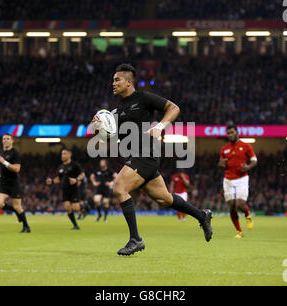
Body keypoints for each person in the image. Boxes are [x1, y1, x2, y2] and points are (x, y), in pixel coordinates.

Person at [90, 63, 212, 256]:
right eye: (113, 80)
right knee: (164, 199)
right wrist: (97, 129)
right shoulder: (116, 111)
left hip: (145, 155)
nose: (113, 83)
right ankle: (202, 215)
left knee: (119, 188)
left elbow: (173, 108)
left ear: (129, 82)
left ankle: (135, 239)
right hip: (133, 158)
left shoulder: (144, 98)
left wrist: (160, 126)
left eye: (117, 80)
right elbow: (102, 141)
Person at [218, 125, 257, 238]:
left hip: (242, 178)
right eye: (228, 133)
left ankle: (247, 215)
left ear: (237, 132)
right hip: (228, 179)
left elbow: (254, 160)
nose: (230, 135)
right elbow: (221, 165)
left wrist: (248, 167)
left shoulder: (246, 146)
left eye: (232, 132)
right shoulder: (224, 149)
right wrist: (220, 165)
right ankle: (239, 231)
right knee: (232, 205)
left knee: (240, 204)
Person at [0, 133, 31, 233]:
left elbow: (17, 169)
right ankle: (15, 212)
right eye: (4, 138)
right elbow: (1, 168)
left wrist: (4, 162)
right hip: (4, 182)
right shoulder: (2, 153)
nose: (5, 140)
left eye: (8, 139)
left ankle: (26, 227)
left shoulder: (15, 153)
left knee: (17, 206)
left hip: (14, 183)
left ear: (12, 141)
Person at [46, 147, 85, 230]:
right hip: (65, 189)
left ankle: (85, 206)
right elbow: (58, 179)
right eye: (61, 154)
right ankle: (75, 225)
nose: (62, 156)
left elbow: (82, 175)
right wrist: (52, 181)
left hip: (74, 189)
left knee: (75, 207)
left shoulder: (75, 165)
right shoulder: (60, 167)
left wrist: (76, 179)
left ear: (69, 155)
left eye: (64, 154)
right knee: (67, 207)